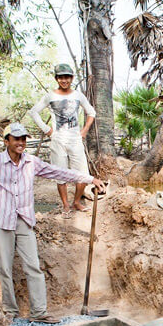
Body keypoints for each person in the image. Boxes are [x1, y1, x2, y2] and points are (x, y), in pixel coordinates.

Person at [0, 123, 106, 323]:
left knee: (33, 266)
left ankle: (39, 312)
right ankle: (10, 311)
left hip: (24, 220)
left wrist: (89, 178)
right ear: (6, 141)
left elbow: (59, 172)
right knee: (5, 269)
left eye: (23, 139)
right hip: (0, 221)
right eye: (16, 139)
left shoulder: (31, 162)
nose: (21, 143)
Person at [28, 63, 96, 216]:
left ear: (71, 78)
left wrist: (84, 131)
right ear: (57, 79)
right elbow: (33, 112)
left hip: (75, 140)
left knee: (83, 174)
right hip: (57, 140)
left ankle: (77, 201)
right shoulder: (50, 96)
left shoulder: (78, 95)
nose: (64, 80)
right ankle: (66, 205)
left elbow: (91, 112)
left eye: (67, 77)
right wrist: (48, 131)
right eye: (61, 77)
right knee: (60, 174)